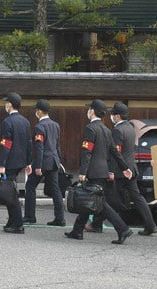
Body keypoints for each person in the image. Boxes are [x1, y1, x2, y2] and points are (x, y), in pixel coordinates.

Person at [64, 100, 133, 244]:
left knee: (100, 204)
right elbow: (114, 152)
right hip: (103, 171)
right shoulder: (107, 130)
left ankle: (123, 229)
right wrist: (125, 167)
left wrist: (83, 171)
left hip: (93, 172)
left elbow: (87, 152)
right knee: (89, 200)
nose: (88, 111)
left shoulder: (90, 128)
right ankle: (77, 230)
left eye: (89, 109)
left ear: (93, 111)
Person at [109, 102, 157, 235]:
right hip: (132, 167)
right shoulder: (130, 127)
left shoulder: (117, 130)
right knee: (137, 198)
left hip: (122, 170)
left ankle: (100, 223)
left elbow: (116, 153)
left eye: (112, 114)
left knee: (110, 197)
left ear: (117, 116)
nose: (111, 116)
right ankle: (150, 225)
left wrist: (112, 170)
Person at [24, 99, 65, 226]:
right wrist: (59, 160)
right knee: (55, 189)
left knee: (30, 186)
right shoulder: (55, 125)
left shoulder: (39, 127)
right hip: (53, 161)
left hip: (42, 162)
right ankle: (60, 218)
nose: (36, 112)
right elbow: (57, 145)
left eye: (36, 110)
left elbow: (39, 148)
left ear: (40, 112)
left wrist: (37, 165)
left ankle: (30, 216)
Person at [0, 92, 31, 234]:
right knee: (10, 191)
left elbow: (6, 145)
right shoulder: (25, 121)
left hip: (10, 161)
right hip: (21, 161)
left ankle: (17, 224)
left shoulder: (7, 122)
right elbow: (29, 143)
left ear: (10, 105)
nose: (5, 105)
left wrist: (2, 165)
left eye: (6, 103)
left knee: (10, 194)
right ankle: (11, 221)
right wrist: (29, 162)